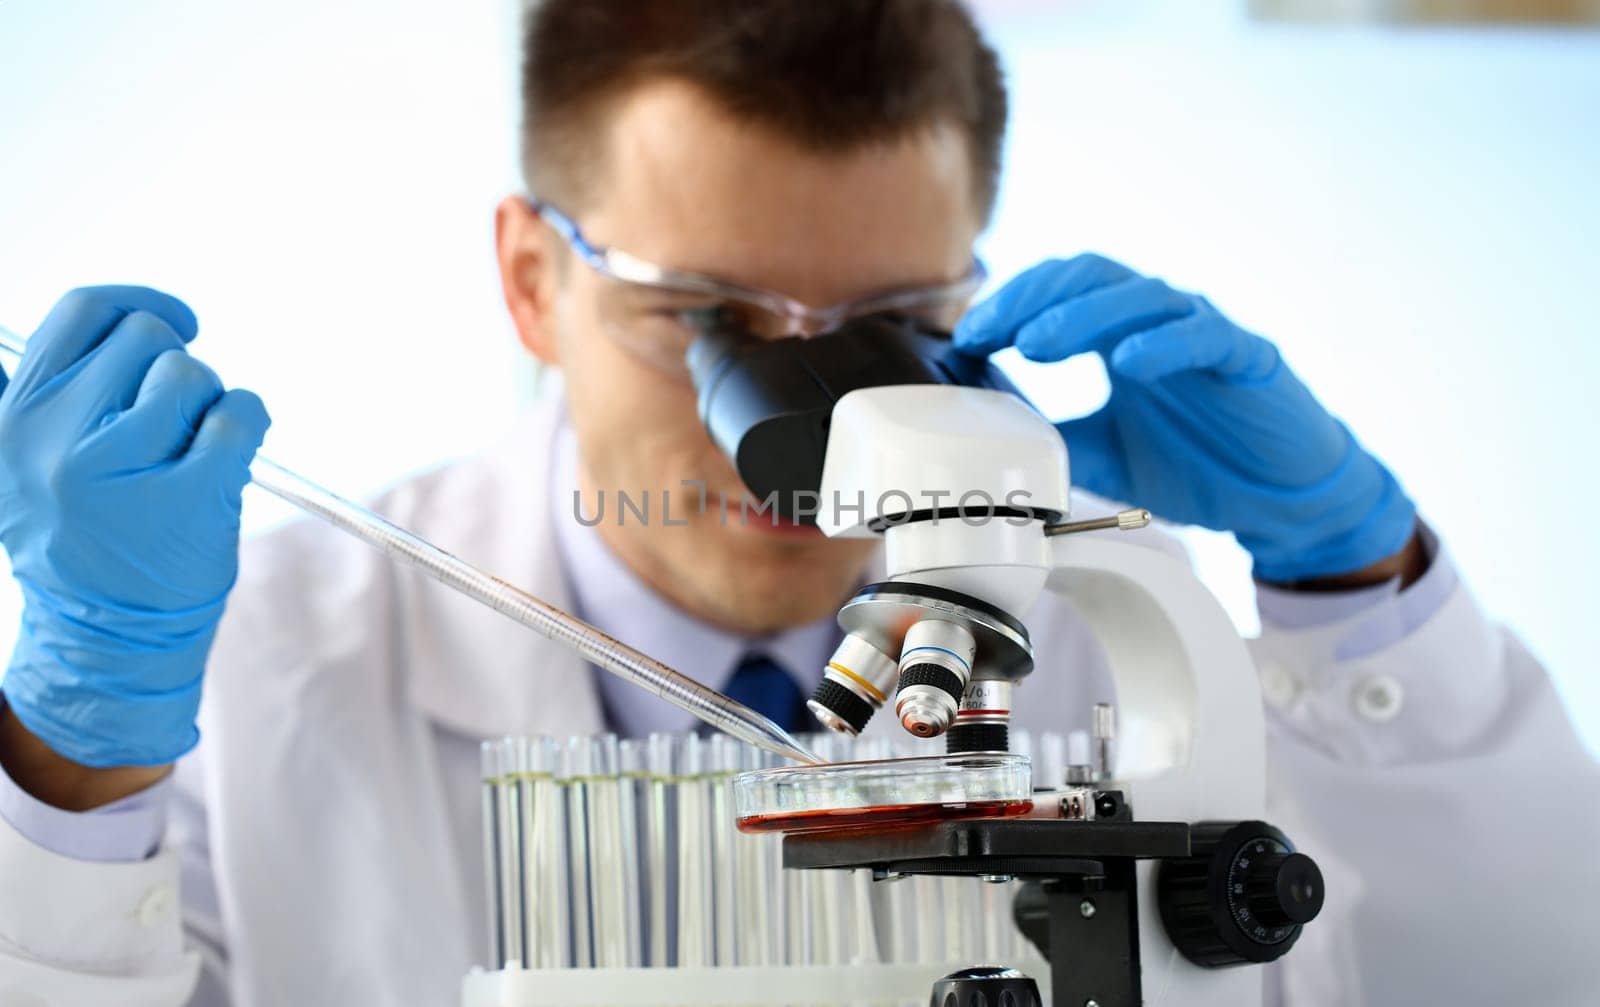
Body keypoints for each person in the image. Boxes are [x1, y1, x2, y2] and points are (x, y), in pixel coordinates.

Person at [0, 2, 1595, 1005]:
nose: (818, 429)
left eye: (891, 322)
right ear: (531, 280)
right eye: (712, 324)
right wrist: (74, 762)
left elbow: (1510, 978)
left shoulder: (1119, 625)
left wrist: (1363, 583)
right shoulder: (266, 659)